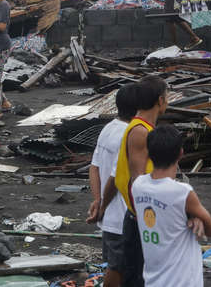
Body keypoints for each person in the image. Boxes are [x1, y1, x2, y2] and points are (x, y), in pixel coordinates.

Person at [133, 125, 211, 287]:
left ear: (149, 154)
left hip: (152, 280)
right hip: (183, 281)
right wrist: (195, 216)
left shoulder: (138, 185)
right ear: (181, 153)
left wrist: (191, 215)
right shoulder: (182, 192)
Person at [110, 75, 170, 287]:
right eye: (167, 96)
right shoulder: (140, 132)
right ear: (160, 101)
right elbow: (139, 181)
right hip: (141, 218)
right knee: (137, 278)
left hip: (142, 216)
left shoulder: (143, 128)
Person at [86, 84, 138, 287]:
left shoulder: (110, 127)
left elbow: (94, 167)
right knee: (121, 271)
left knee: (115, 268)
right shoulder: (131, 134)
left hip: (110, 219)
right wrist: (103, 206)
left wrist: (97, 200)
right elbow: (117, 178)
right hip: (121, 219)